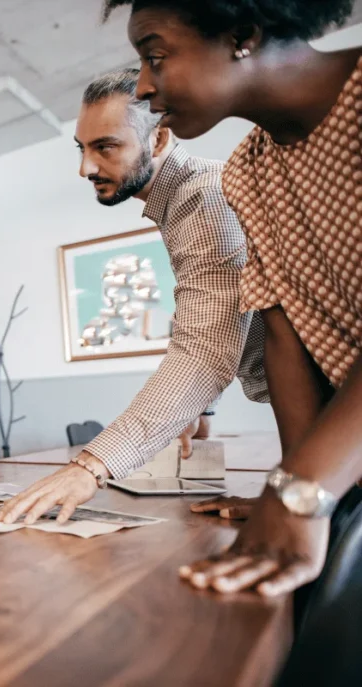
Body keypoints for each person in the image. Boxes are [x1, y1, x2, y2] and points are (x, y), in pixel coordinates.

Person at [103, 0, 362, 599]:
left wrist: (304, 489)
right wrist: (289, 492)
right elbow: (284, 333)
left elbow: (207, 347)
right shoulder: (247, 171)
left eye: (155, 54)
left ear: (243, 34)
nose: (143, 85)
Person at [0, 68, 267, 525]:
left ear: (159, 141)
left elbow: (204, 350)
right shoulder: (185, 199)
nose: (85, 168)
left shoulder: (202, 199)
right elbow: (229, 312)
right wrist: (201, 407)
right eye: (82, 149)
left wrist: (91, 466)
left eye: (105, 146)